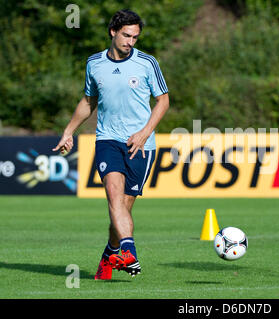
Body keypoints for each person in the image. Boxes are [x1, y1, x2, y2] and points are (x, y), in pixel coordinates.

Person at [53, 9, 170, 279]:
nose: (131, 42)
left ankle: (110, 255)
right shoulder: (94, 63)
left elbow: (163, 101)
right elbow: (88, 101)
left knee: (122, 210)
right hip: (107, 139)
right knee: (114, 196)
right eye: (127, 35)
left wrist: (143, 133)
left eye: (135, 37)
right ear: (113, 32)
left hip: (141, 146)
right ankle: (129, 252)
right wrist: (69, 130)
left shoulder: (147, 63)